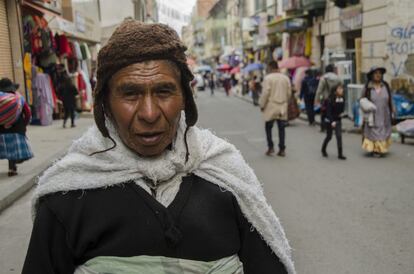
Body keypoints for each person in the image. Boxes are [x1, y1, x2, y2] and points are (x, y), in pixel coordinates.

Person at [23, 20, 295, 274]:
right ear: (105, 103)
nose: (150, 113)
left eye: (164, 92)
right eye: (130, 94)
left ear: (185, 99)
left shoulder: (227, 178)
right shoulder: (67, 197)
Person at [0, 78, 33, 176]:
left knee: (8, 149)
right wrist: (24, 125)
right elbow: (27, 113)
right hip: (17, 128)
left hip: (1, 129)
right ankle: (13, 167)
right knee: (14, 150)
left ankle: (12, 168)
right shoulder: (19, 98)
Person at [259, 61, 292, 157]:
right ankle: (282, 149)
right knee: (282, 128)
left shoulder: (268, 78)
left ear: (270, 67)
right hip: (282, 106)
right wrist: (285, 101)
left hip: (271, 106)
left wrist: (262, 105)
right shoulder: (285, 78)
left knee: (268, 127)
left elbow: (265, 93)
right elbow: (289, 93)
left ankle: (271, 147)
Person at [360, 66, 393, 157]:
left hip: (384, 113)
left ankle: (381, 148)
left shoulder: (385, 85)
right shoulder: (368, 87)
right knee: (373, 131)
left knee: (383, 129)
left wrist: (393, 110)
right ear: (371, 75)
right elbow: (362, 100)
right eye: (376, 73)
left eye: (380, 73)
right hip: (373, 115)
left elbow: (390, 99)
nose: (378, 75)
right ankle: (376, 149)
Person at [321, 83, 347, 160]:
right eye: (339, 89)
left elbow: (341, 110)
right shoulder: (330, 100)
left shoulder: (342, 99)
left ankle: (340, 154)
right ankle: (323, 149)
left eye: (342, 88)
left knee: (339, 136)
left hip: (338, 120)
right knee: (329, 136)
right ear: (335, 91)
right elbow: (328, 113)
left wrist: (342, 114)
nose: (341, 90)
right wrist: (332, 121)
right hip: (330, 120)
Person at [315, 64, 342, 132]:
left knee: (324, 114)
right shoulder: (337, 78)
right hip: (335, 98)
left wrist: (317, 100)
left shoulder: (323, 78)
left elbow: (319, 90)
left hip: (326, 99)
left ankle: (323, 127)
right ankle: (333, 126)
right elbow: (341, 87)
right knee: (333, 113)